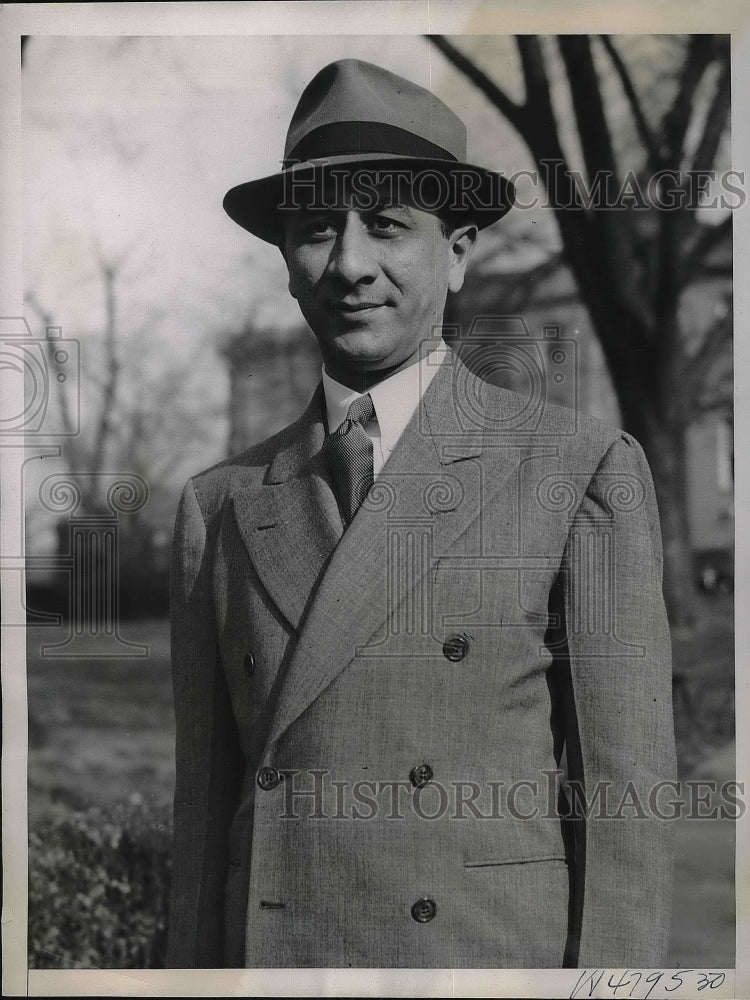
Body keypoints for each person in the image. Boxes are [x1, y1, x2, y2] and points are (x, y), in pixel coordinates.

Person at [167, 58, 676, 969]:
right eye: (317, 228)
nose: (350, 264)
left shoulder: (580, 472)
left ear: (459, 251)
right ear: (286, 260)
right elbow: (204, 825)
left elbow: (625, 806)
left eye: (389, 226)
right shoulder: (221, 506)